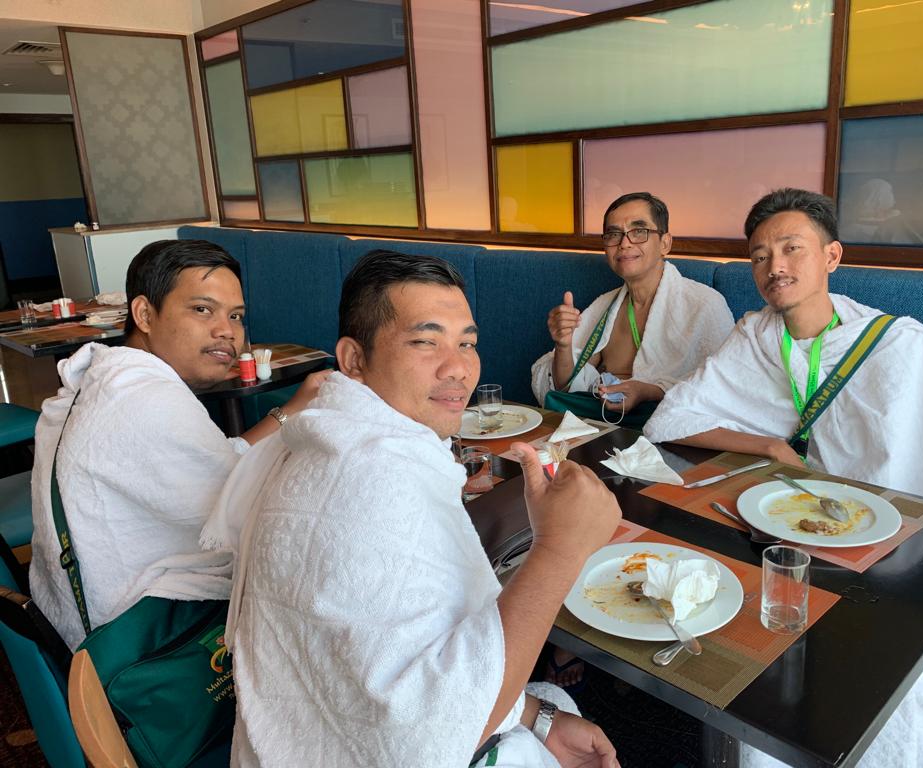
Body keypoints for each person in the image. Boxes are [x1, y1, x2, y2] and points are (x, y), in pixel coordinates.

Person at [644, 188, 923, 767]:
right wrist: (768, 444)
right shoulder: (756, 338)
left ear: (832, 256)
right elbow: (672, 418)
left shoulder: (902, 347)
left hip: (891, 545)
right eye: (760, 256)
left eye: (791, 248)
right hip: (785, 524)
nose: (774, 266)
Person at [206, 250, 622, 767]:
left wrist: (537, 716)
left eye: (467, 343)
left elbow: (395, 658)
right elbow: (437, 729)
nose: (459, 367)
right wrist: (559, 550)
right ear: (354, 359)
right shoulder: (369, 482)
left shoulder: (328, 441)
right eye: (426, 341)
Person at [29, 239, 328, 649]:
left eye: (236, 315)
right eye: (202, 309)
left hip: (72, 616)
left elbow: (217, 463)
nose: (227, 331)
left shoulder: (107, 378)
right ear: (144, 314)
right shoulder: (148, 401)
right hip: (130, 642)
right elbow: (242, 514)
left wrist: (291, 409)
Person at [531, 192, 733, 427]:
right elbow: (566, 387)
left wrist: (648, 392)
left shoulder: (704, 305)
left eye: (639, 231)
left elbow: (723, 391)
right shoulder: (605, 308)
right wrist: (563, 345)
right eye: (614, 234)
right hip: (600, 427)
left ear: (665, 243)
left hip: (670, 432)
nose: (624, 243)